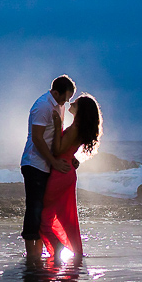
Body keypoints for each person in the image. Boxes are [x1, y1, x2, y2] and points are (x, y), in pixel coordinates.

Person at [39, 93, 102, 264]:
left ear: (80, 110)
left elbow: (59, 150)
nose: (71, 102)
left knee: (43, 216)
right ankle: (60, 249)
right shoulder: (79, 128)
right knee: (55, 215)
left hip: (61, 173)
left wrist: (59, 124)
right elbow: (68, 151)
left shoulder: (75, 128)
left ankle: (58, 247)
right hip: (66, 172)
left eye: (75, 102)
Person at [20, 75, 76, 262]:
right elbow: (37, 138)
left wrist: (70, 156)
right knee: (34, 208)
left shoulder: (58, 106)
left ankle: (40, 251)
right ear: (55, 92)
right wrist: (53, 161)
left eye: (67, 100)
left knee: (44, 210)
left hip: (46, 164)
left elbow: (56, 136)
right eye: (64, 98)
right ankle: (31, 255)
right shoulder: (43, 106)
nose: (65, 103)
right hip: (34, 163)